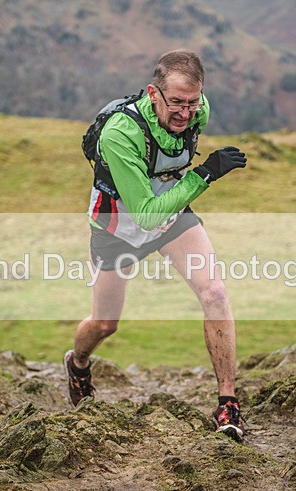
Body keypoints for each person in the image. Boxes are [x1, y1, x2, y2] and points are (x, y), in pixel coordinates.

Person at [64, 49, 248, 441]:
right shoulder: (120, 133)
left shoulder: (199, 110)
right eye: (176, 103)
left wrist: (192, 181)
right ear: (153, 93)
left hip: (173, 213)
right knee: (104, 323)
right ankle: (78, 364)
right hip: (118, 226)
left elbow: (165, 200)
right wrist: (205, 174)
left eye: (193, 103)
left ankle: (228, 404)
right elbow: (145, 215)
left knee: (214, 292)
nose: (186, 113)